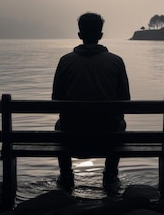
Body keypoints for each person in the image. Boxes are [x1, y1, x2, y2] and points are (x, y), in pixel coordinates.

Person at [52, 12, 130, 191]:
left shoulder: (65, 61)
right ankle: (110, 175)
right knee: (121, 123)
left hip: (72, 133)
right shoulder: (116, 62)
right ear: (101, 35)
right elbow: (125, 100)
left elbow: (56, 99)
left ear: (80, 35)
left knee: (59, 125)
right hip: (107, 134)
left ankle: (66, 176)